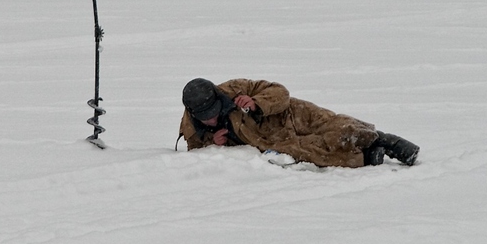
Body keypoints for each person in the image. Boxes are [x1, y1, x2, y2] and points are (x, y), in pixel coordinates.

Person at [178, 78, 419, 168]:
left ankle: (384, 140)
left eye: (214, 111)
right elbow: (195, 152)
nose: (210, 118)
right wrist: (213, 141)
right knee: (318, 153)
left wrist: (256, 102)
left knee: (337, 127)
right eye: (204, 116)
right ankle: (371, 156)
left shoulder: (234, 89)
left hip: (290, 114)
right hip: (276, 140)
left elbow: (280, 92)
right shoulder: (190, 128)